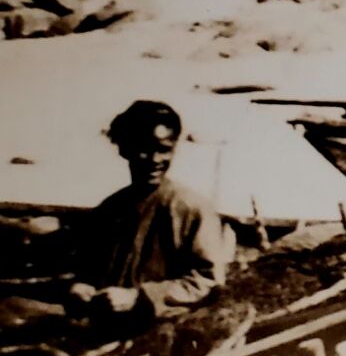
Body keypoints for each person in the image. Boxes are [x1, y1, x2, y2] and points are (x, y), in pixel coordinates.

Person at [67, 101, 234, 326]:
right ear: (124, 149)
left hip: (165, 330)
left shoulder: (192, 209)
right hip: (106, 331)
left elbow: (208, 281)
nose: (155, 160)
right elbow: (89, 269)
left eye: (164, 150)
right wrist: (81, 289)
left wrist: (141, 297)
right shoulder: (110, 209)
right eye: (144, 149)